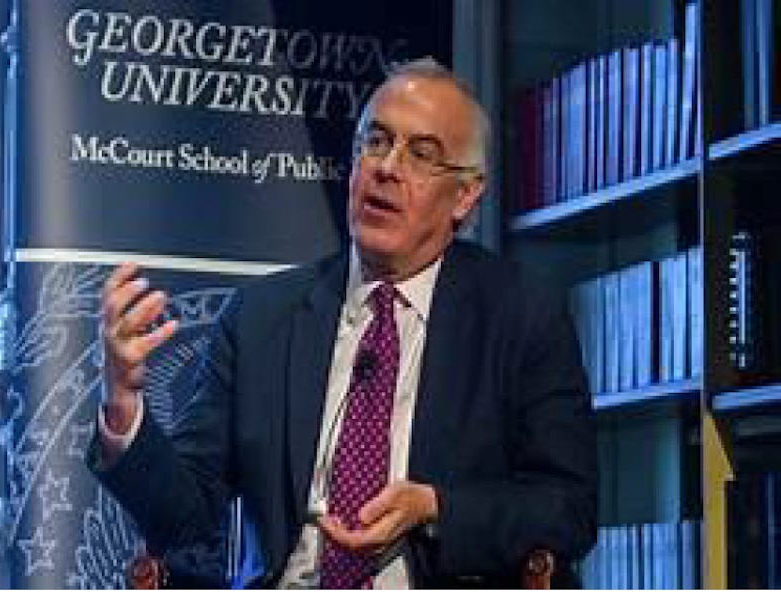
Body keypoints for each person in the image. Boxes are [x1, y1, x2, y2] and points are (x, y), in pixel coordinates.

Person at [89, 59, 597, 588]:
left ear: (465, 196)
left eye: (421, 154)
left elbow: (568, 509)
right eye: (376, 142)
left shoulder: (520, 317)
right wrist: (122, 403)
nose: (387, 167)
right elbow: (185, 518)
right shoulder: (263, 317)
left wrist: (433, 507)